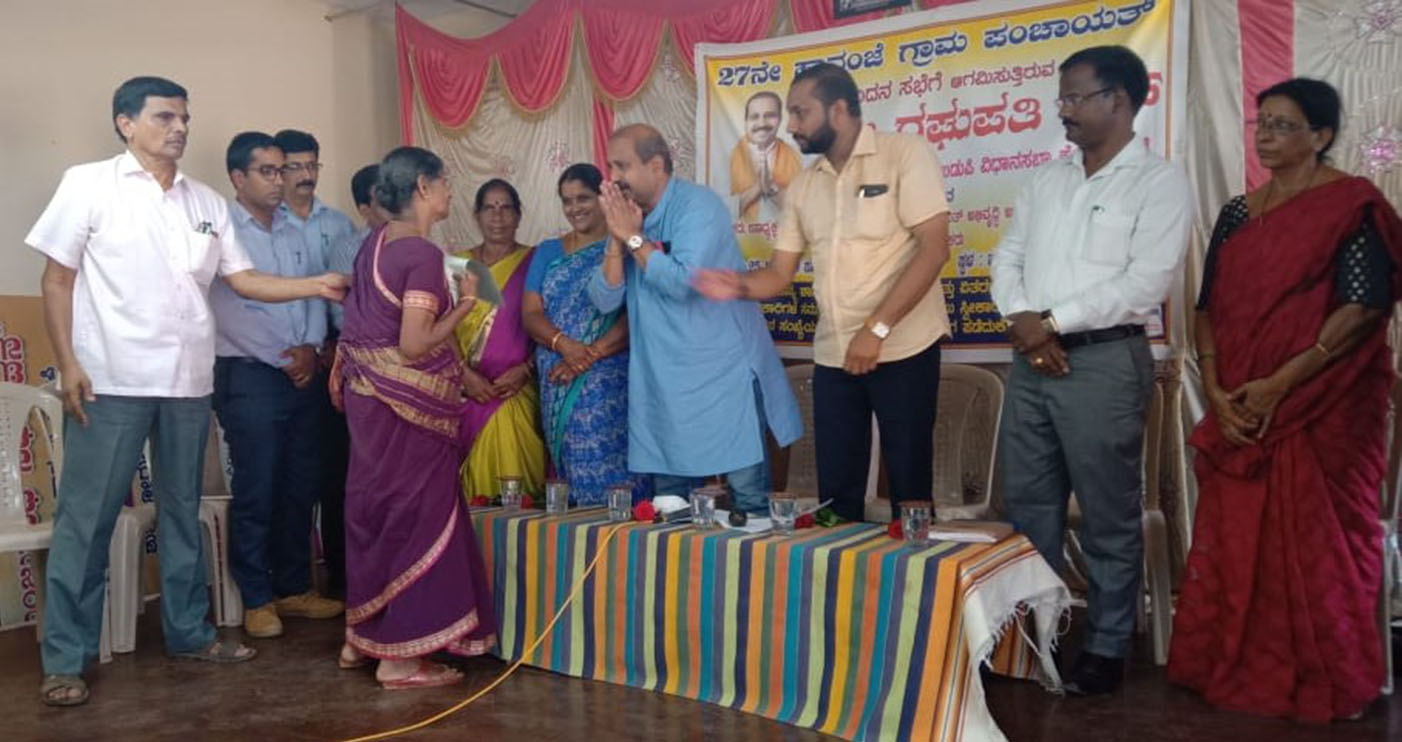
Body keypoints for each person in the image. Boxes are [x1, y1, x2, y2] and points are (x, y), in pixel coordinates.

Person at [26, 76, 348, 706]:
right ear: (126, 123)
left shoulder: (204, 201)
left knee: (180, 512)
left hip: (187, 383)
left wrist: (317, 284)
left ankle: (190, 633)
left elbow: (244, 279)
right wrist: (68, 365)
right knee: (87, 520)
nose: (178, 128)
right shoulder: (87, 184)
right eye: (164, 117)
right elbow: (56, 280)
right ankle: (65, 659)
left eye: (184, 118)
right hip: (109, 379)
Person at [1169, 78, 1402, 722]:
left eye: (1283, 125)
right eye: (1261, 124)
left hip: (1326, 406)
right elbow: (1207, 308)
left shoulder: (1352, 206)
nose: (1266, 137)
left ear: (1321, 136)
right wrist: (1216, 391)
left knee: (1320, 540)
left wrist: (1279, 385)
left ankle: (1328, 673)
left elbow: (1363, 308)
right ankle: (1232, 663)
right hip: (1240, 406)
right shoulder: (1239, 214)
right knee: (1238, 535)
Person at [987, 45, 1192, 695]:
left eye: (1077, 97)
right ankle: (1033, 641)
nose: (1065, 110)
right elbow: (1007, 258)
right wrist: (1025, 322)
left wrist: (1050, 321)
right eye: (1062, 98)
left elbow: (1145, 282)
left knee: (1108, 513)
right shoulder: (1047, 180)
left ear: (1120, 101)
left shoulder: (1158, 182)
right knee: (1029, 508)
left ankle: (1104, 647)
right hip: (1032, 362)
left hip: (1104, 362)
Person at [695, 62, 951, 524]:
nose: (790, 125)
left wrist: (876, 329)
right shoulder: (804, 186)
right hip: (836, 354)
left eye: (800, 112)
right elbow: (779, 273)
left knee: (909, 489)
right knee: (837, 497)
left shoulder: (904, 154)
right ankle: (842, 571)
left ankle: (913, 571)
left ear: (838, 110)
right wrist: (736, 285)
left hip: (904, 346)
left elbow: (934, 250)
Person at [332, 146, 498, 688]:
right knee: (418, 518)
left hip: (370, 405)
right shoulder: (421, 254)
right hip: (408, 414)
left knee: (377, 512)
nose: (450, 190)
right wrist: (466, 305)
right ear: (423, 187)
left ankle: (362, 638)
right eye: (445, 181)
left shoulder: (374, 243)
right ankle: (401, 658)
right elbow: (413, 343)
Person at [590, 124, 801, 513]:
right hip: (661, 384)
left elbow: (682, 284)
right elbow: (603, 300)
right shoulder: (629, 218)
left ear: (656, 166)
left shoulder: (698, 207)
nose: (613, 177)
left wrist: (634, 239)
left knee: (748, 504)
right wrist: (617, 239)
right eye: (610, 166)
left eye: (622, 166)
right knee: (670, 508)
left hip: (722, 377)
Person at [209, 131, 344, 638]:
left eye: (280, 170)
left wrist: (310, 347)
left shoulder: (292, 229)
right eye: (266, 171)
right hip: (251, 374)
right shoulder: (224, 229)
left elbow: (313, 294)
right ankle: (257, 597)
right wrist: (286, 358)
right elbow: (232, 309)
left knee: (299, 483)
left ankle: (293, 588)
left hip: (303, 370)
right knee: (258, 486)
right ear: (238, 177)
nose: (278, 180)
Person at [521, 164, 647, 506]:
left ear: (602, 199)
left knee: (621, 471)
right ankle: (583, 536)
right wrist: (565, 346)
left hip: (611, 379)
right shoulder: (548, 251)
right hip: (558, 377)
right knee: (574, 469)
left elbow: (637, 314)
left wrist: (587, 356)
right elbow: (531, 314)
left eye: (583, 198)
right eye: (567, 200)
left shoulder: (626, 246)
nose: (574, 207)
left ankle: (626, 534)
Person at [318, 164, 387, 595]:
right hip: (366, 375)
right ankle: (350, 577)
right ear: (364, 207)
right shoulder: (350, 248)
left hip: (409, 376)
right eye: (383, 196)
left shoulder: (421, 245)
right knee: (358, 474)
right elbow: (345, 315)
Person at [453, 179, 546, 498]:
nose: (498, 216)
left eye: (506, 208)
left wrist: (526, 370)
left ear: (518, 216)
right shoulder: (456, 265)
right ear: (476, 215)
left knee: (520, 483)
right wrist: (465, 375)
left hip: (517, 388)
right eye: (489, 208)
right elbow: (441, 328)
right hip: (467, 391)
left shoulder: (537, 261)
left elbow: (549, 322)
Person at [274, 129, 355, 266]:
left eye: (312, 166)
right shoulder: (269, 222)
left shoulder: (340, 223)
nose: (307, 175)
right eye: (295, 167)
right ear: (279, 171)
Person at [730, 91, 802, 223]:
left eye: (769, 116)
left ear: (780, 119)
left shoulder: (797, 154)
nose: (762, 123)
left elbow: (804, 211)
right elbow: (719, 210)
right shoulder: (729, 153)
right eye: (754, 117)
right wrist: (757, 189)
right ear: (746, 122)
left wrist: (770, 188)